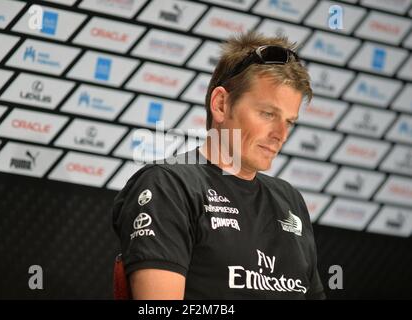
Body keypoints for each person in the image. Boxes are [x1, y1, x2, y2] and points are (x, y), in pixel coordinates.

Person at [112, 31, 325, 299]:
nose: (280, 134)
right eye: (268, 114)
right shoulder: (169, 186)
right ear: (221, 104)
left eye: (290, 121)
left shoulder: (289, 200)